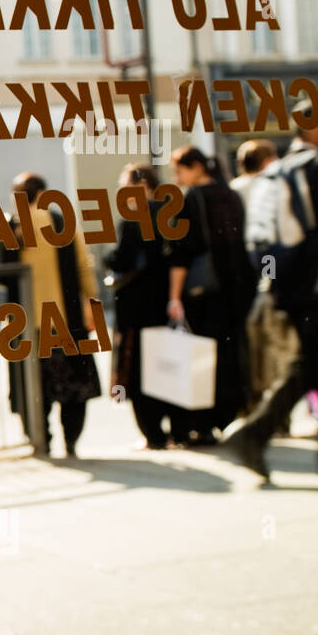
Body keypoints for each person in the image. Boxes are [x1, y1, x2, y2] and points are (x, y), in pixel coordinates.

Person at [223, 120, 318, 480]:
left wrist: (276, 284)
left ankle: (254, 434)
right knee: (308, 365)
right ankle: (253, 433)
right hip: (312, 287)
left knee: (309, 364)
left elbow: (259, 244)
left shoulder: (276, 174)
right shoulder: (308, 169)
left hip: (291, 286)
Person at [0, 173, 101, 457]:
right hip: (66, 321)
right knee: (73, 385)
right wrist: (91, 303)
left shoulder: (12, 226)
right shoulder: (62, 222)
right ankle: (72, 441)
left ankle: (40, 441)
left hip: (26, 325)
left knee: (31, 387)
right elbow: (83, 267)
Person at [165, 146, 254, 444]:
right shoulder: (230, 194)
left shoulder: (191, 200)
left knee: (202, 355)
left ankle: (203, 424)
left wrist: (174, 296)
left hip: (204, 292)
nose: (176, 177)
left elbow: (182, 253)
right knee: (231, 353)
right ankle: (230, 416)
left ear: (195, 167)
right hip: (237, 286)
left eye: (179, 170)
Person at [104, 163, 173, 449]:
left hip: (137, 307)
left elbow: (121, 259)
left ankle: (153, 434)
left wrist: (107, 259)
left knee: (140, 372)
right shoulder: (170, 213)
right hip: (166, 303)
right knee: (167, 368)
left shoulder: (134, 218)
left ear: (142, 186)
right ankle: (176, 430)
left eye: (125, 185)